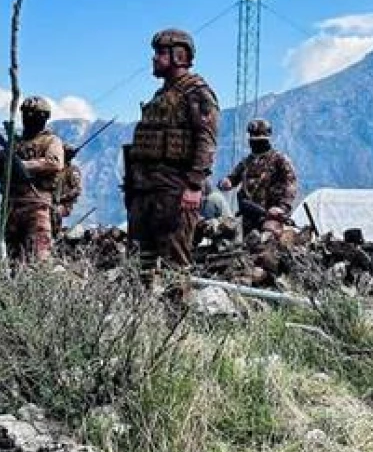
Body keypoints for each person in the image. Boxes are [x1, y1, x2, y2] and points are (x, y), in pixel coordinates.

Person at [123, 28, 219, 278]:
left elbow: (206, 139)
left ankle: (176, 316)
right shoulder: (161, 96)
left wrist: (194, 185)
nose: (155, 59)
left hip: (175, 191)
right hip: (145, 190)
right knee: (137, 262)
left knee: (174, 265)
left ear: (179, 55)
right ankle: (139, 315)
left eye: (161, 53)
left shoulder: (196, 92)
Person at [0, 96, 64, 266]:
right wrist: (0, 158)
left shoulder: (51, 141)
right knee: (14, 261)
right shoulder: (15, 143)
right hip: (13, 205)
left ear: (44, 118)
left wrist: (23, 165)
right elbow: (1, 173)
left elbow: (54, 163)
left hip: (37, 205)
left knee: (38, 261)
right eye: (27, 114)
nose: (30, 118)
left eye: (36, 115)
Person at [219, 119, 299, 235]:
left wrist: (282, 207)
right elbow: (233, 178)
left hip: (271, 217)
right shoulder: (247, 162)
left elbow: (290, 185)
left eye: (260, 140)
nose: (255, 143)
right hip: (249, 218)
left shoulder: (279, 160)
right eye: (253, 139)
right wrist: (227, 182)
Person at [52, 144, 83, 236]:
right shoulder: (54, 167)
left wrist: (63, 197)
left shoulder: (72, 170)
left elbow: (77, 190)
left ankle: (55, 234)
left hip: (64, 204)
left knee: (55, 212)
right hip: (48, 200)